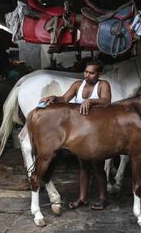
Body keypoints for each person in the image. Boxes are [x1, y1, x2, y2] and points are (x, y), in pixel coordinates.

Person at [40, 60, 111, 210]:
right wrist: (54, 98)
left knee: (98, 166)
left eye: (91, 73)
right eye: (86, 72)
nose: (87, 75)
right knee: (83, 166)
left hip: (97, 131)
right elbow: (65, 99)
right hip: (81, 131)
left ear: (99, 73)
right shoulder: (78, 84)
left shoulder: (103, 85)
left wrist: (90, 101)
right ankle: (83, 198)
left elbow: (106, 101)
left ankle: (103, 198)